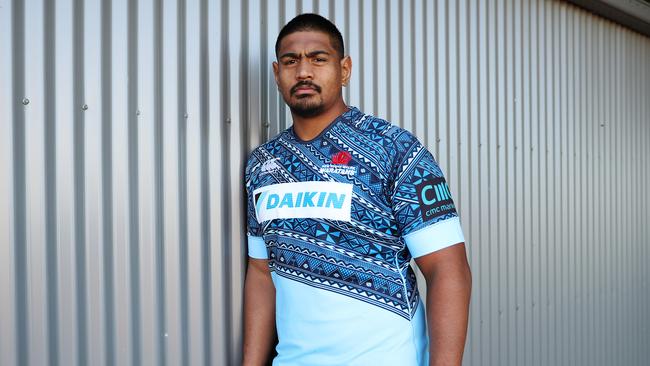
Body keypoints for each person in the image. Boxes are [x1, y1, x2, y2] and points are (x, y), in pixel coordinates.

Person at [242, 13, 471, 366]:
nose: (303, 72)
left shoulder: (394, 149)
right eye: (291, 61)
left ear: (344, 69)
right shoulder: (263, 164)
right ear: (277, 73)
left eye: (318, 59)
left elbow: (447, 268)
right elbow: (261, 273)